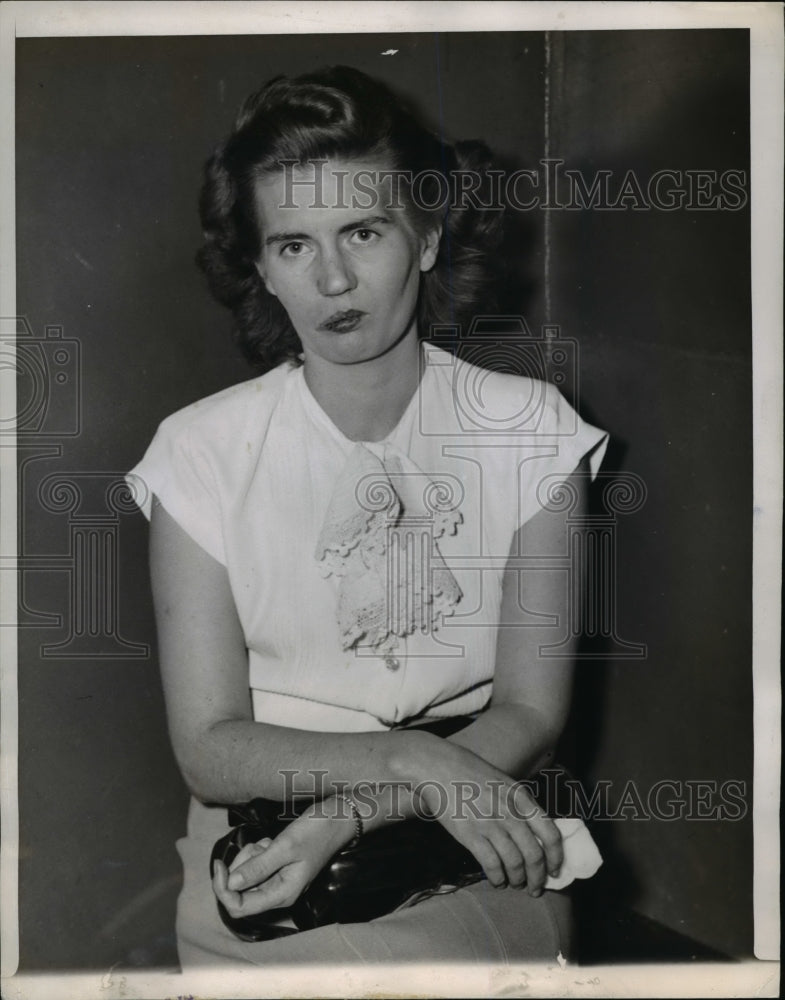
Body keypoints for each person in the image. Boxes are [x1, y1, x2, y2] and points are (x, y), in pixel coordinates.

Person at [126, 65, 608, 970]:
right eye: (294, 245)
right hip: (264, 843)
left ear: (425, 238)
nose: (334, 277)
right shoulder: (198, 451)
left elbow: (532, 710)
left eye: (363, 229)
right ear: (261, 268)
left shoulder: (531, 428)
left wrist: (367, 803)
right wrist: (405, 770)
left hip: (480, 818)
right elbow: (210, 750)